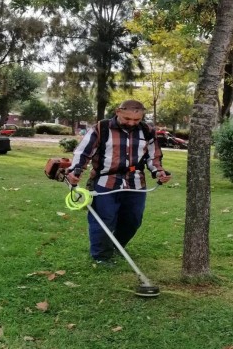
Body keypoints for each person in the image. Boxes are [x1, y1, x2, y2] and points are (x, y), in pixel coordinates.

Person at [66, 100, 171, 264]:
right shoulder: (102, 128)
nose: (132, 123)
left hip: (135, 183)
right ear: (118, 112)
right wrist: (75, 170)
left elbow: (153, 156)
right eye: (127, 119)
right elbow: (83, 152)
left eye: (136, 120)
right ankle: (101, 256)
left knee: (133, 220)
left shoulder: (147, 131)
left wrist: (159, 172)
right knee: (104, 220)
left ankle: (117, 246)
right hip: (106, 181)